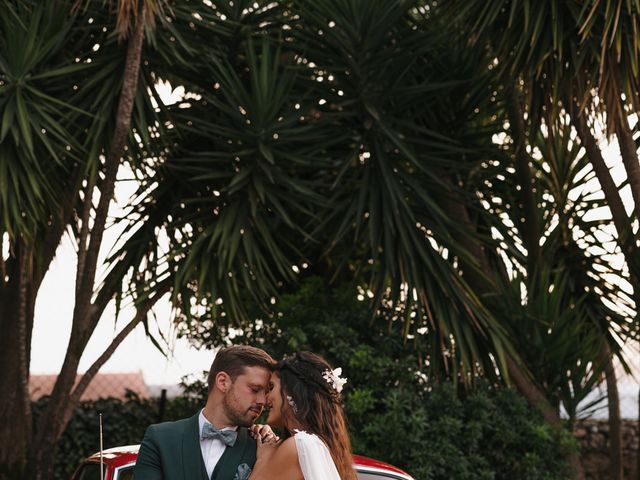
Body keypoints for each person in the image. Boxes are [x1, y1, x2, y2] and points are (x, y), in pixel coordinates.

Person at [133, 345, 275, 480]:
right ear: (223, 382)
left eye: (266, 392)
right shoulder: (161, 439)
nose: (263, 400)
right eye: (255, 389)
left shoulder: (264, 448)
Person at [248, 351, 356, 480]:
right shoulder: (318, 446)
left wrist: (263, 459)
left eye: (271, 388)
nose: (266, 398)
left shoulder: (296, 447)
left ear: (292, 392)